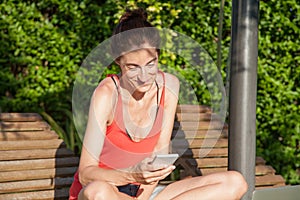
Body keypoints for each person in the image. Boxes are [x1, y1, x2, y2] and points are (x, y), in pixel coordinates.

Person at [69, 8, 248, 200]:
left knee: (235, 182)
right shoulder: (106, 94)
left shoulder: (169, 86)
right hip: (108, 190)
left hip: (143, 193)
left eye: (150, 64)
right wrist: (131, 175)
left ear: (158, 56)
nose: (144, 77)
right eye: (133, 67)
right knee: (97, 192)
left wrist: (142, 196)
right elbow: (86, 174)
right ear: (118, 61)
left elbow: (160, 153)